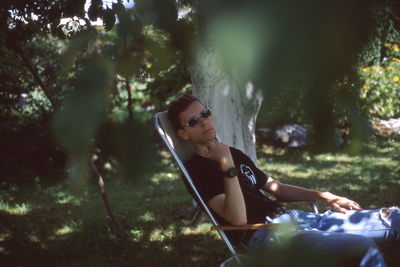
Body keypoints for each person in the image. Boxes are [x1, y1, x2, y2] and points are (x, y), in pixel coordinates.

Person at [167, 94, 399, 266]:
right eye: (193, 121)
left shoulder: (233, 153)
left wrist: (323, 196)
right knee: (362, 248)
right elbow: (237, 219)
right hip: (268, 235)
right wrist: (225, 163)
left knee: (396, 218)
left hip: (298, 219)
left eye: (205, 114)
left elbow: (273, 187)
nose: (205, 122)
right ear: (183, 134)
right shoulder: (197, 171)